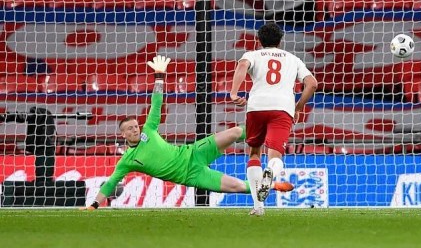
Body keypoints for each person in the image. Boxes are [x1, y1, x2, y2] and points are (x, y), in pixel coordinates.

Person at [81, 55, 293, 210]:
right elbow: (110, 183)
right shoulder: (127, 160)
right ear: (123, 136)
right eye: (130, 129)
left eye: (136, 125)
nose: (135, 129)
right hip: (192, 175)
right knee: (237, 186)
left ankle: (274, 131)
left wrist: (159, 76)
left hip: (193, 152)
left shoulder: (149, 129)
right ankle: (272, 185)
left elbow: (156, 105)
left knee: (236, 132)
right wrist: (93, 205)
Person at [230, 22, 318, 216]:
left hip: (256, 107)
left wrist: (234, 92)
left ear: (259, 40)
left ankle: (258, 207)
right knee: (275, 156)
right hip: (282, 109)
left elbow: (242, 65)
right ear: (280, 40)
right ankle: (270, 172)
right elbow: (312, 84)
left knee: (254, 153)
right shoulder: (293, 59)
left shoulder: (251, 55)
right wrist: (298, 107)